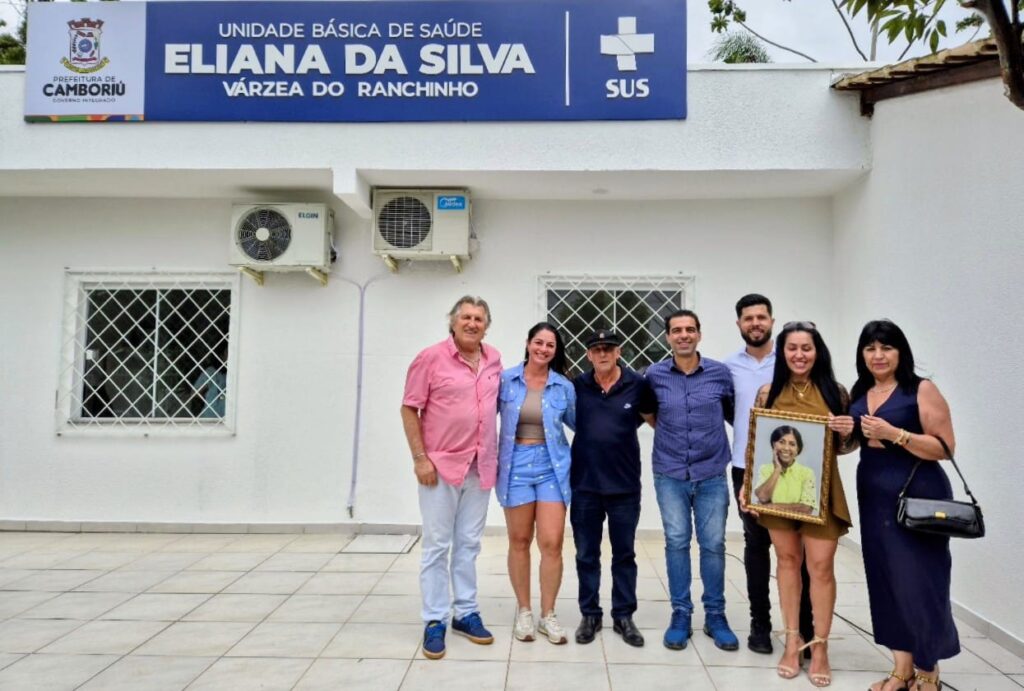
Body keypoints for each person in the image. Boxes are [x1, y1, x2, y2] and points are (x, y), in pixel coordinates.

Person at [850, 320, 959, 691]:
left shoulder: (920, 389)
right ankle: (901, 669)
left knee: (920, 582)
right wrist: (841, 431)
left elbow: (945, 447)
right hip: (874, 494)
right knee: (886, 581)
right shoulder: (861, 391)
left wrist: (894, 433)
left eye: (886, 348)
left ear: (900, 352)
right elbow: (856, 440)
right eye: (870, 349)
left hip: (919, 493)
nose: (878, 356)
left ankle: (929, 670)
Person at [750, 321, 856, 688]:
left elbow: (845, 448)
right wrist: (750, 490)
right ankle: (793, 639)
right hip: (779, 498)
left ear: (818, 352)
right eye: (792, 348)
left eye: (806, 348)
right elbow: (757, 443)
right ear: (782, 353)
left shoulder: (836, 392)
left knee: (821, 566)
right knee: (787, 562)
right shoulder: (767, 393)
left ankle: (821, 646)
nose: (799, 355)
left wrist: (847, 431)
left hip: (821, 495)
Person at [401, 296, 503, 660]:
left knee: (469, 544)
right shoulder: (430, 358)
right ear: (453, 322)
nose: (472, 323)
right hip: (440, 467)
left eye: (479, 318)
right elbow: (409, 407)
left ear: (486, 325)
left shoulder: (493, 358)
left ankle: (466, 612)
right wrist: (420, 458)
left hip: (480, 466)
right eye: (466, 317)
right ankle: (433, 619)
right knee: (437, 545)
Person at [646, 309, 739, 652]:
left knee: (713, 544)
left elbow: (732, 414)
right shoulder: (653, 375)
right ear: (667, 336)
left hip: (711, 472)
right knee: (676, 541)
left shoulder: (720, 374)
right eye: (676, 330)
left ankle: (716, 616)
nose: (683, 335)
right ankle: (681, 613)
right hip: (670, 473)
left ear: (699, 334)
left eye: (689, 329)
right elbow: (649, 413)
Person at [724, 293, 813, 655]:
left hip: (800, 469)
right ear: (739, 325)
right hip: (747, 469)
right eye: (748, 318)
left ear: (772, 321)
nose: (755, 323)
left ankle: (804, 629)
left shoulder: (793, 359)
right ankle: (760, 624)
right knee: (756, 546)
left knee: (797, 551)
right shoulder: (729, 367)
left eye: (762, 317)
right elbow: (732, 411)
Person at [569, 329, 656, 648]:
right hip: (585, 485)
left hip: (624, 486)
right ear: (589, 355)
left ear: (619, 352)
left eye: (608, 348)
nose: (602, 353)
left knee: (624, 554)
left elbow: (654, 421)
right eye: (596, 349)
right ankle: (590, 614)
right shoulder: (577, 386)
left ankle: (623, 615)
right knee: (586, 554)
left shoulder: (637, 384)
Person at [496, 322, 576, 645]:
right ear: (528, 343)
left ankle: (549, 614)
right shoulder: (505, 380)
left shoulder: (563, 387)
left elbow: (582, 424)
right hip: (515, 466)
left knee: (552, 542)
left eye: (550, 345)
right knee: (518, 540)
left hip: (551, 468)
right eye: (538, 342)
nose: (543, 349)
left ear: (556, 351)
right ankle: (524, 610)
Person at [753, 425, 816, 513]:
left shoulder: (807, 473)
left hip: (796, 525)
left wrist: (771, 507)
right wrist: (777, 469)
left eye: (792, 444)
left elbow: (806, 508)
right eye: (781, 442)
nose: (786, 448)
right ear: (774, 444)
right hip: (769, 522)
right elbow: (763, 497)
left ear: (797, 449)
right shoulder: (765, 469)